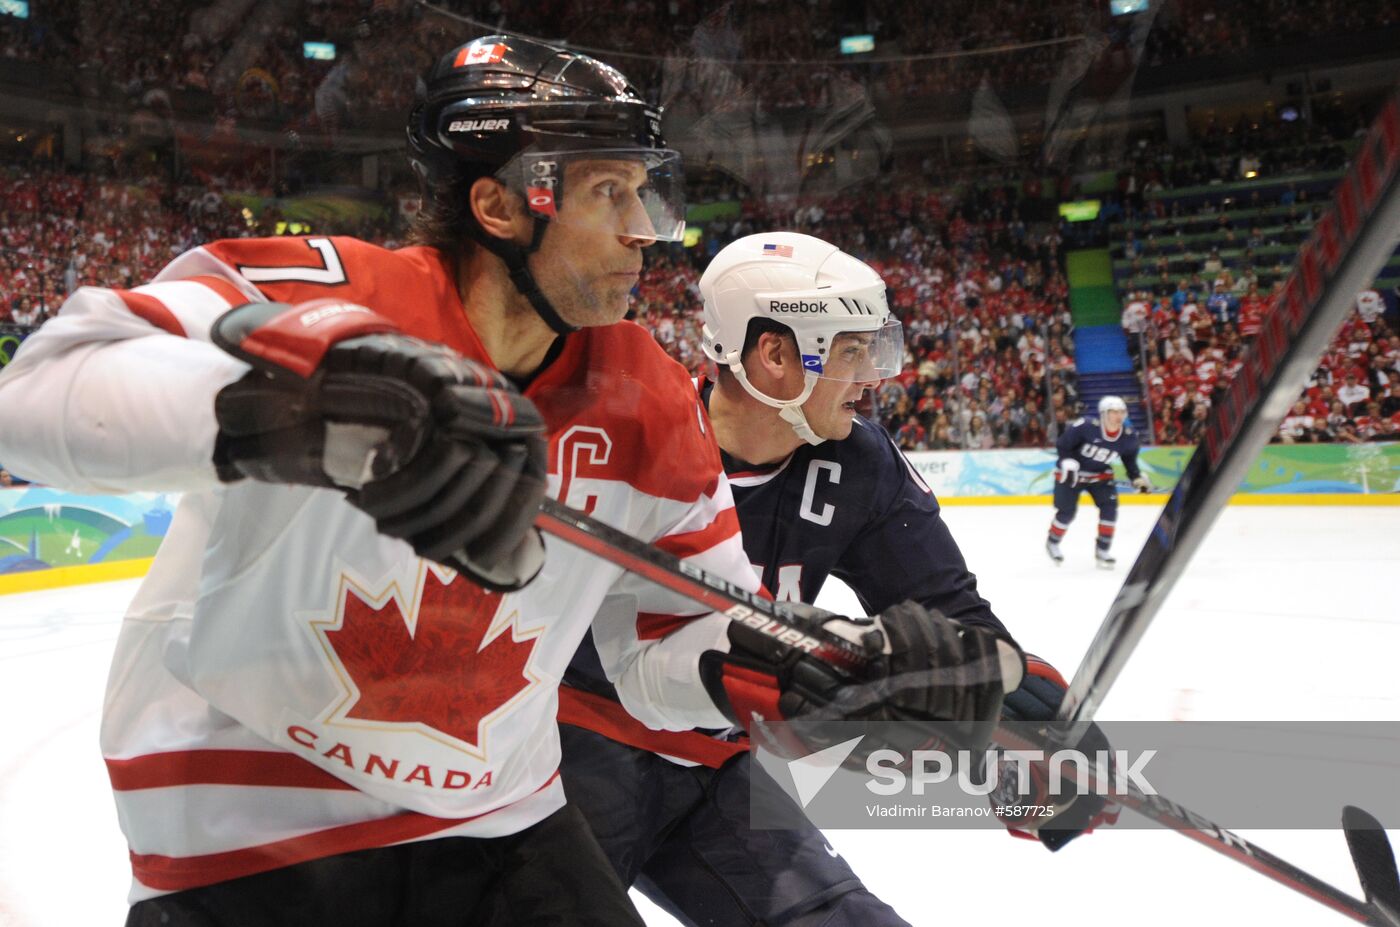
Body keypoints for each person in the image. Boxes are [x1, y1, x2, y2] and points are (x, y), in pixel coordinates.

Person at [0, 38, 1017, 927]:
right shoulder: (327, 290)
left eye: (644, 190)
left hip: (499, 823)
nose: (644, 229)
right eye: (606, 193)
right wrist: (300, 412)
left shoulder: (649, 393)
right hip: (245, 818)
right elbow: (36, 396)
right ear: (495, 204)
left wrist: (808, 669)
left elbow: (669, 642)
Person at [560, 233, 1101, 927]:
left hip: (718, 762)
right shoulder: (631, 433)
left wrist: (1016, 724)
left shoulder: (860, 462)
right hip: (574, 754)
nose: (875, 376)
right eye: (852, 352)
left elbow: (946, 612)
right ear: (774, 355)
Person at [1046, 395, 1151, 569]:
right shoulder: (1086, 427)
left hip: (1100, 477)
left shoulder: (1129, 437)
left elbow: (1129, 462)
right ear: (1103, 413)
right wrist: (1067, 461)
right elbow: (1063, 444)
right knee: (1066, 512)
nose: (1118, 416)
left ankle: (1103, 550)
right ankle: (1053, 542)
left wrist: (1137, 478)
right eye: (1113, 412)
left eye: (1122, 412)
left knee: (1110, 510)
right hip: (1071, 474)